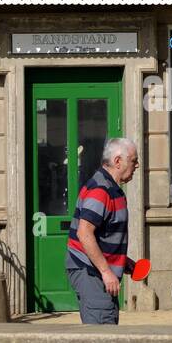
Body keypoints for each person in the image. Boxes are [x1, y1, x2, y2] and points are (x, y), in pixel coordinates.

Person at [67, 137, 138, 325]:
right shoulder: (100, 190)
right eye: (133, 160)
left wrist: (122, 261)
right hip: (92, 273)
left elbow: (102, 234)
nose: (137, 165)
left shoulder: (112, 188)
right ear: (117, 161)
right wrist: (106, 271)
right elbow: (84, 233)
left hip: (98, 272)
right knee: (103, 332)